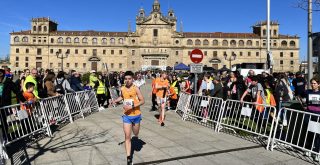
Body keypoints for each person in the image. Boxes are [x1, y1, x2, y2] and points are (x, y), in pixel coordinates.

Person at [111, 71, 145, 165]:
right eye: (126, 79)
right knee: (127, 137)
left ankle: (136, 135)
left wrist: (132, 106)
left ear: (132, 79)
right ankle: (129, 158)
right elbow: (122, 97)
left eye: (129, 79)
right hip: (126, 116)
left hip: (136, 115)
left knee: (135, 133)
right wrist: (114, 101)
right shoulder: (122, 88)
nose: (127, 80)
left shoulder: (136, 88)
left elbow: (142, 101)